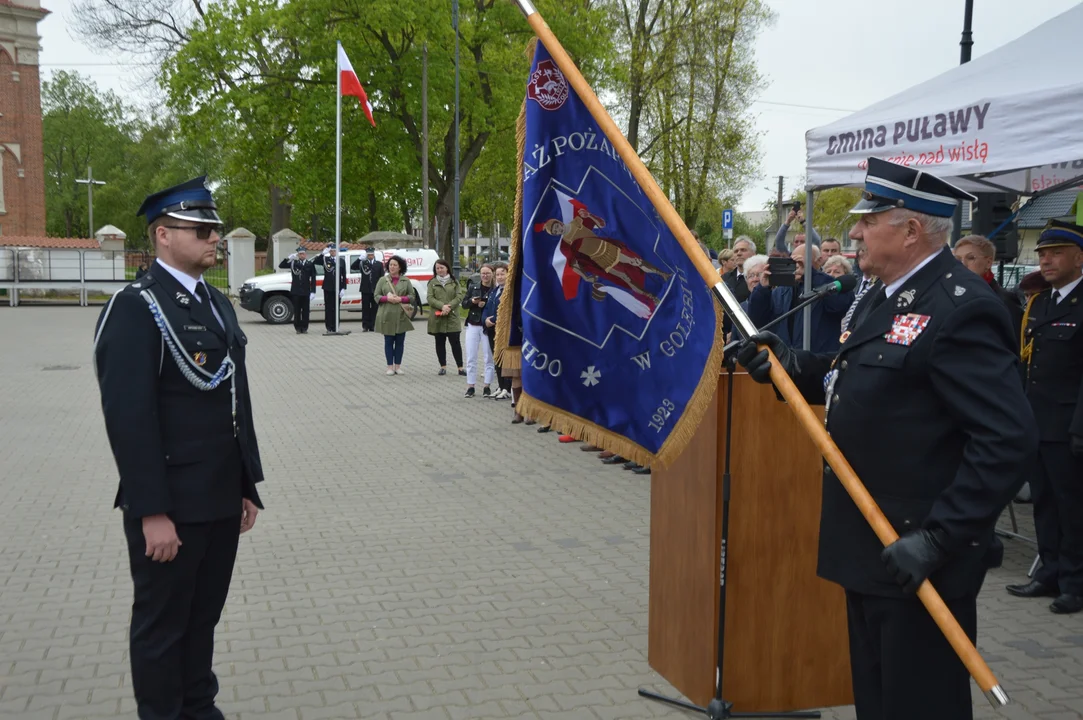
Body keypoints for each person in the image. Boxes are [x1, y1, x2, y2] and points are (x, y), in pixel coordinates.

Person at [737, 157, 1036, 720]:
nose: (853, 232)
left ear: (911, 229)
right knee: (879, 701)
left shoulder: (960, 307)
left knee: (919, 703)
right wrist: (790, 364)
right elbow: (858, 375)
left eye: (866, 220)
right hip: (871, 545)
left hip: (917, 552)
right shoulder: (883, 293)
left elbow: (1007, 439)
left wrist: (939, 538)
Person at [92, 176, 265, 720]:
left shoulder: (216, 303)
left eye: (216, 229)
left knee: (202, 618)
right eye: (203, 229)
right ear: (164, 235)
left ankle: (198, 706)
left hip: (217, 497)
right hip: (170, 504)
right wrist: (151, 511)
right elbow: (129, 418)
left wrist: (246, 484)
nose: (215, 238)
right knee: (162, 626)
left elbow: (235, 398)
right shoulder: (134, 307)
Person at [1006, 220, 1083, 615]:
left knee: (1073, 509)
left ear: (1078, 257)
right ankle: (1048, 572)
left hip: (1070, 426)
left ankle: (1074, 582)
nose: (1046, 260)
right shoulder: (1040, 303)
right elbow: (1026, 365)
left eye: (1055, 253)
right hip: (1037, 422)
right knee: (1044, 504)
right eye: (1042, 254)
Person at [747, 242, 852, 353]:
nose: (797, 265)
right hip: (785, 362)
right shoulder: (780, 291)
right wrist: (763, 289)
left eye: (801, 261)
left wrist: (810, 274)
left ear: (818, 261)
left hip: (819, 361)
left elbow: (841, 305)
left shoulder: (827, 285)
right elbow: (757, 322)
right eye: (793, 262)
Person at [952, 234, 1023, 339]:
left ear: (988, 262)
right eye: (958, 259)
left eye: (971, 258)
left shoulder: (1004, 300)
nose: (963, 264)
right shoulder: (950, 297)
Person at [374, 255, 415, 375]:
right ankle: (389, 367)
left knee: (400, 342)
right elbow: (376, 295)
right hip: (387, 315)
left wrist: (401, 299)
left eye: (395, 265)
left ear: (400, 267)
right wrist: (387, 298)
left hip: (401, 315)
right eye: (390, 264)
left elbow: (412, 297)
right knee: (388, 341)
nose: (392, 267)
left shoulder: (405, 280)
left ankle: (398, 366)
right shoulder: (383, 280)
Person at [462, 264, 496, 398]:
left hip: (487, 326)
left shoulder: (495, 289)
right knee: (471, 357)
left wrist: (485, 304)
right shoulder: (473, 287)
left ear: (492, 273)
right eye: (483, 273)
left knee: (489, 357)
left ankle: (487, 385)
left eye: (488, 273)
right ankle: (470, 386)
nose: (485, 276)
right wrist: (472, 301)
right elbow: (464, 304)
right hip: (473, 323)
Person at [427, 258, 465, 376]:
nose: (440, 270)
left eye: (442, 268)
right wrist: (441, 306)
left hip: (452, 316)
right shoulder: (432, 282)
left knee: (455, 343)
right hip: (438, 317)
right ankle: (443, 366)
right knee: (439, 342)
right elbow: (430, 298)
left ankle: (460, 367)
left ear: (447, 268)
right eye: (437, 268)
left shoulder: (454, 282)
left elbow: (459, 296)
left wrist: (449, 306)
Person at [279, 245, 316, 334]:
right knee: (297, 310)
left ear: (305, 255)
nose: (302, 255)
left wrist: (313, 291)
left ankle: (305, 327)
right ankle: (298, 328)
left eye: (303, 254)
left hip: (306, 291)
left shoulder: (310, 264)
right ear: (298, 255)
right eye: (300, 254)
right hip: (296, 291)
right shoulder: (293, 263)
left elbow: (313, 278)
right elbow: (281, 265)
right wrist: (288, 258)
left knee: (306, 311)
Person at [319, 243, 347, 333]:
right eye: (331, 251)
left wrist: (343, 288)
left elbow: (344, 275)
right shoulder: (325, 260)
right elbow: (316, 262)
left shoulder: (341, 261)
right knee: (328, 308)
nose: (333, 252)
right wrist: (322, 254)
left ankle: (336, 327)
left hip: (338, 288)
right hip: (328, 287)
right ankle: (329, 327)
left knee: (336, 308)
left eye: (334, 251)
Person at [358, 247, 384, 332]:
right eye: (368, 255)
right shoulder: (363, 263)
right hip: (365, 289)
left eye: (371, 254)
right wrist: (359, 259)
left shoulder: (379, 264)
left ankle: (373, 325)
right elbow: (353, 266)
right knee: (365, 308)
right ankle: (365, 326)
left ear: (374, 255)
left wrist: (382, 289)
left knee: (374, 308)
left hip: (375, 289)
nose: (370, 256)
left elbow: (382, 277)